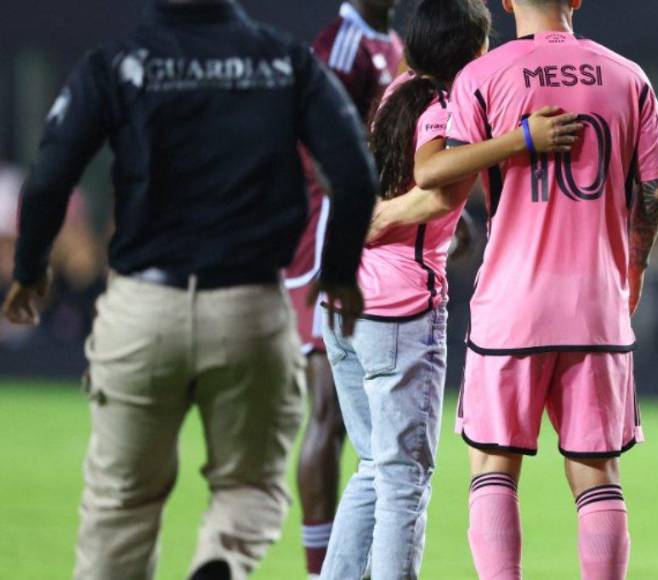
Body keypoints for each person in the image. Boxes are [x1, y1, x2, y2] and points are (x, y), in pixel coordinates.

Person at [1, 1, 378, 578]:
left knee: (121, 506)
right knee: (249, 487)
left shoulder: (116, 64)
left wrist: (30, 270)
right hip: (249, 307)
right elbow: (354, 172)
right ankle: (220, 559)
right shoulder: (284, 62)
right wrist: (340, 273)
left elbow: (51, 173)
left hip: (142, 308)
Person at [317, 1, 580, 577]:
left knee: (373, 468)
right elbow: (435, 181)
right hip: (396, 309)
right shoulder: (448, 104)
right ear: (477, 51)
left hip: (341, 301)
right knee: (405, 479)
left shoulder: (398, 89)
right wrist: (523, 140)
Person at [416, 1, 658, 577]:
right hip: (597, 306)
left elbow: (443, 174)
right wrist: (634, 268)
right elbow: (653, 187)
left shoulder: (481, 77)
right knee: (597, 472)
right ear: (576, 0)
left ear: (506, 1)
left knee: (493, 466)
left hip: (513, 303)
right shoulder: (628, 76)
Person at [286, 3, 403, 577]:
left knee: (362, 428)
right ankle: (320, 567)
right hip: (325, 239)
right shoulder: (340, 46)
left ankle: (345, 563)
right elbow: (324, 153)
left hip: (365, 233)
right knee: (330, 411)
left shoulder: (390, 42)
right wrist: (376, 212)